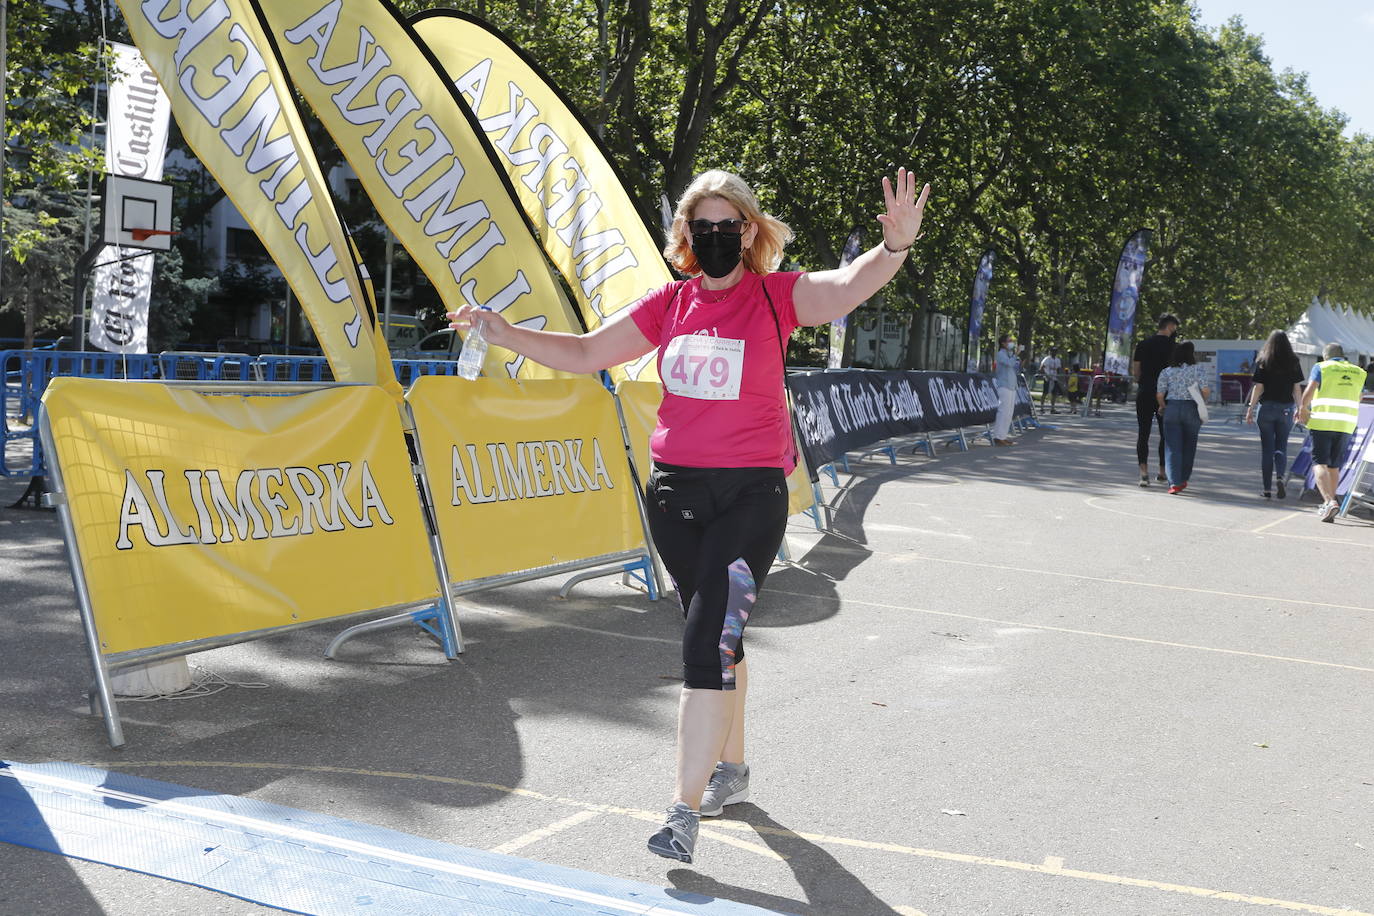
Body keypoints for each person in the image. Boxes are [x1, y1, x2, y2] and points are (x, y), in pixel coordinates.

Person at [447, 167, 930, 863]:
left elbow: (847, 286)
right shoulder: (669, 305)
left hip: (751, 496)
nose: (714, 238)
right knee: (718, 633)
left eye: (726, 227)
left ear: (750, 231)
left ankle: (682, 810)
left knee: (705, 643)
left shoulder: (776, 298)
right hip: (674, 496)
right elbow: (585, 353)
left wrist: (893, 250)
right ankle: (730, 767)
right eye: (700, 228)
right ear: (685, 236)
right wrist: (502, 332)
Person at [1296, 342, 1367, 522]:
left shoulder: (1321, 367)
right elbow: (1359, 397)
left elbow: (1310, 389)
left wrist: (1302, 408)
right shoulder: (1359, 371)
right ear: (1342, 355)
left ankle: (1329, 502)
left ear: (1326, 355)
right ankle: (1332, 502)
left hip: (1322, 422)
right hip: (1346, 424)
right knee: (1335, 466)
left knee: (1319, 463)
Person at [1244, 330, 1305, 499]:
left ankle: (1267, 490)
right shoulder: (1293, 361)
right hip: (1286, 409)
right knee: (1281, 447)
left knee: (1267, 450)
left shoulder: (1264, 361)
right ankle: (1280, 476)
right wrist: (1300, 408)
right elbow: (1296, 388)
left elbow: (1259, 387)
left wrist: (1250, 408)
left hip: (1266, 409)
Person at [1155, 340, 1210, 494]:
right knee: (1189, 447)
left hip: (1172, 408)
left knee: (1172, 447)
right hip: (1191, 408)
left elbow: (1160, 394)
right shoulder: (1198, 369)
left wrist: (1163, 406)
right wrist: (1201, 402)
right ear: (1191, 353)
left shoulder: (1167, 371)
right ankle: (1184, 478)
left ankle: (1174, 482)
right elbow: (1205, 390)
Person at [1131, 314, 1179, 486]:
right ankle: (1161, 471)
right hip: (1166, 394)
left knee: (1143, 433)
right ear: (1170, 326)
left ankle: (1143, 473)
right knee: (1165, 434)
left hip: (1145, 391)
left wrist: (1143, 381)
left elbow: (1136, 371)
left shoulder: (1143, 345)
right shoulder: (1175, 348)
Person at [992, 332, 1019, 445]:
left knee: (1009, 413)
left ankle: (1003, 435)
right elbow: (1009, 364)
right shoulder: (1001, 354)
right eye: (1009, 341)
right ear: (1003, 343)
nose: (1011, 343)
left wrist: (1015, 356)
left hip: (1012, 385)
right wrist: (1016, 354)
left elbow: (1014, 366)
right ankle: (997, 436)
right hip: (1004, 385)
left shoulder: (1010, 354)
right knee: (1003, 411)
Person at [1038, 347, 1064, 413]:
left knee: (1054, 394)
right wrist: (1046, 375)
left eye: (1055, 351)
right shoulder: (1047, 359)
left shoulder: (1058, 360)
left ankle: (1052, 408)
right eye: (1052, 351)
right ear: (1050, 352)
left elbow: (1058, 369)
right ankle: (1042, 407)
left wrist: (1059, 377)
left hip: (1054, 378)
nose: (1054, 352)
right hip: (1047, 378)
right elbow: (1041, 368)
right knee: (1045, 393)